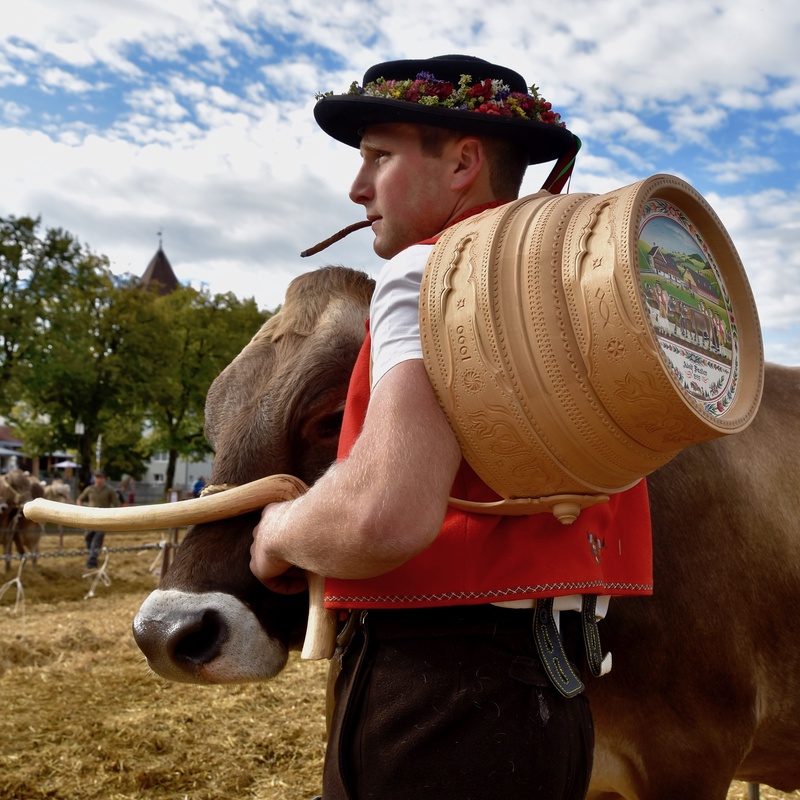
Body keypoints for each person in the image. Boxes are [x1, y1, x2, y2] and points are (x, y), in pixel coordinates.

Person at [250, 55, 653, 800]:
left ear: (465, 162)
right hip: (555, 709)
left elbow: (384, 516)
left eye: (379, 156)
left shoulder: (430, 274)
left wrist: (279, 529)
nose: (356, 186)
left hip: (436, 701)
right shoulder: (582, 302)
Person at [77, 470, 120, 568]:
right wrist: (80, 509)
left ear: (104, 479)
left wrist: (113, 515)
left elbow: (117, 504)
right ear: (94, 478)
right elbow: (80, 499)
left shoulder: (109, 490)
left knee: (96, 541)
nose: (99, 480)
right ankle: (91, 557)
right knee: (88, 539)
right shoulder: (89, 489)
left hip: (102, 520)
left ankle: (91, 563)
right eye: (97, 477)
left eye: (101, 477)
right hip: (90, 519)